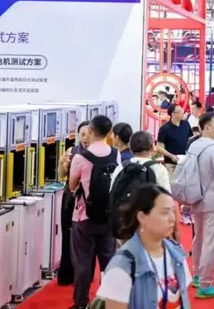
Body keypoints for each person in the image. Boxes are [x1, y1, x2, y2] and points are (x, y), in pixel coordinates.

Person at [95, 184, 192, 308]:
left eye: (173, 211)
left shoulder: (177, 254)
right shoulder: (123, 266)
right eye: (165, 212)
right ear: (142, 217)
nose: (172, 219)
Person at [68, 115, 120, 309]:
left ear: (90, 130)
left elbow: (72, 185)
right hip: (108, 217)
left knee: (82, 262)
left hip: (84, 216)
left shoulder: (81, 157)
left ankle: (81, 303)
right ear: (109, 132)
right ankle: (110, 301)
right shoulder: (115, 154)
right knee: (109, 261)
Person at [187, 112, 214, 298]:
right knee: (210, 242)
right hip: (213, 200)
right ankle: (205, 284)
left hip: (195, 196)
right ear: (206, 127)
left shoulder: (194, 145)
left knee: (199, 238)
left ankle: (197, 275)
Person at [57, 120, 91, 286]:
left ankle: (83, 274)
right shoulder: (72, 151)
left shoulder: (97, 153)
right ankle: (66, 273)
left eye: (87, 134)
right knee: (67, 235)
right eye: (82, 134)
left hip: (87, 200)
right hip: (70, 198)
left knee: (85, 238)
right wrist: (62, 164)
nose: (85, 138)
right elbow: (61, 174)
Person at [156, 103, 193, 175]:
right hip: (171, 163)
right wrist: (171, 156)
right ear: (173, 114)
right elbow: (159, 147)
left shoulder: (186, 124)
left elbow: (190, 139)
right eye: (180, 111)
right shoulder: (164, 128)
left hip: (185, 162)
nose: (183, 113)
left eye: (182, 110)